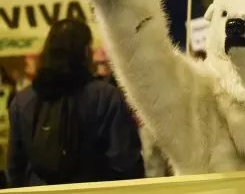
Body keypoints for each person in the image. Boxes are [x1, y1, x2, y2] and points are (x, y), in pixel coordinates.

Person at [7, 19, 145, 187]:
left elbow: (15, 166)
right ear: (86, 52)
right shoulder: (105, 96)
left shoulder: (21, 102)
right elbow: (125, 161)